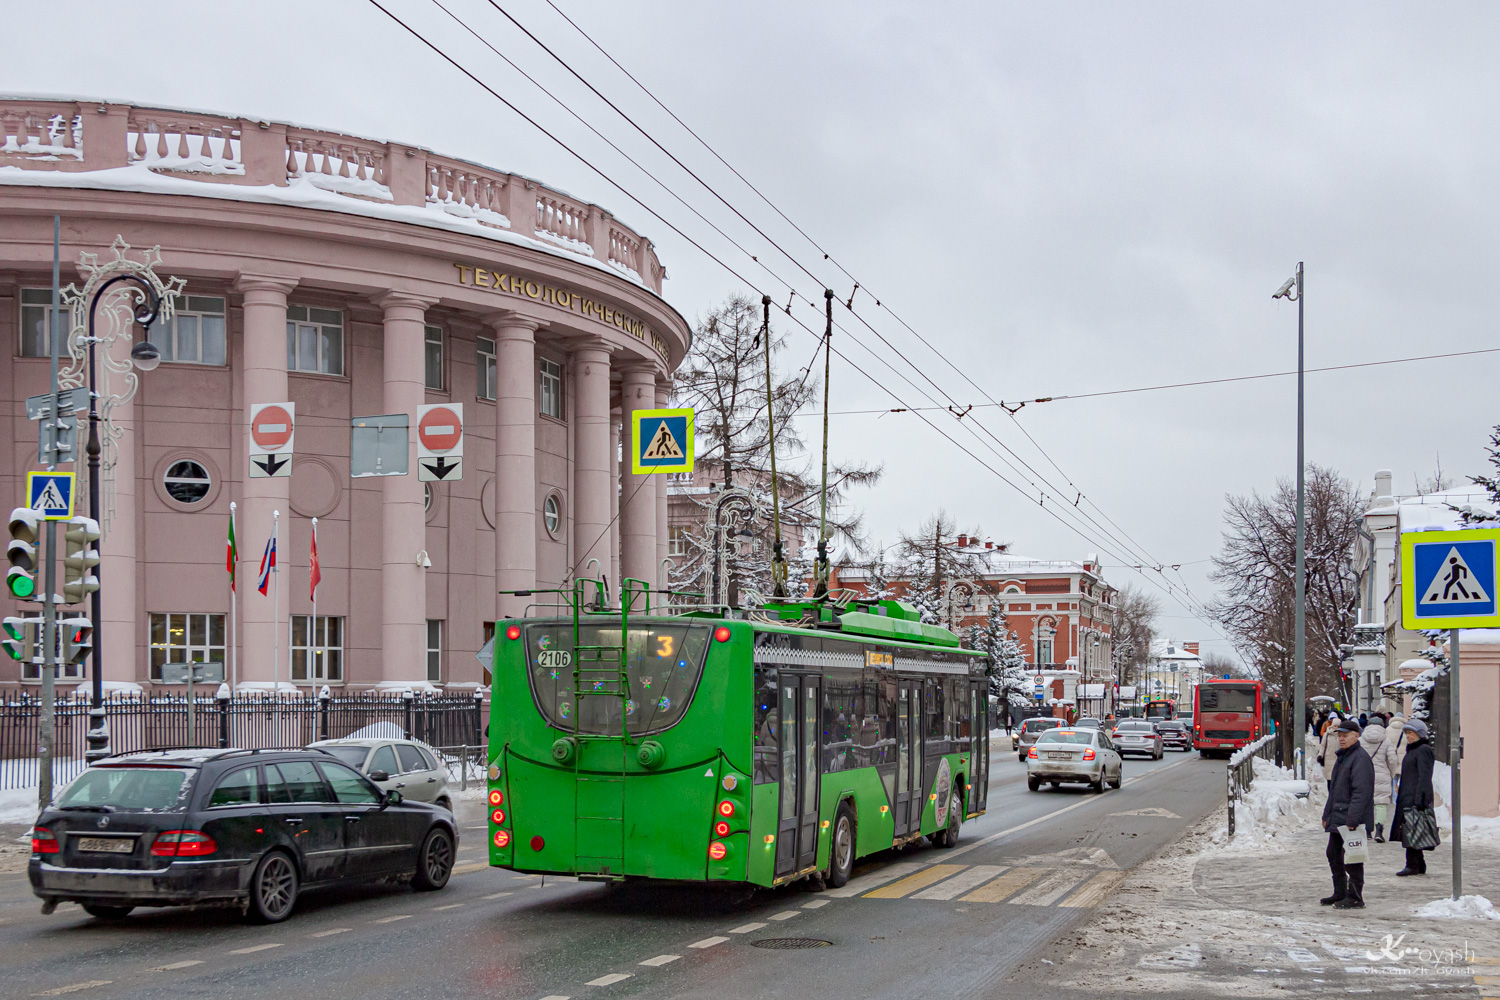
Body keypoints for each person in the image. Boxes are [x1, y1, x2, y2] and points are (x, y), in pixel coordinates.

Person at [1321, 718, 1375, 909]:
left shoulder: (1360, 759)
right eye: (1340, 736)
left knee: (1353, 857)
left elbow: (1361, 792)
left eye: (1345, 736)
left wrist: (1353, 818)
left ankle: (1355, 896)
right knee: (1333, 854)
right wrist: (1327, 814)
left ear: (1356, 736)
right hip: (1338, 815)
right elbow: (1335, 790)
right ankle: (1340, 892)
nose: (1341, 739)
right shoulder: (1343, 756)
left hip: (1351, 818)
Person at [1390, 719, 1437, 876]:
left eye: (1411, 733)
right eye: (1406, 733)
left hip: (1414, 798)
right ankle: (1418, 864)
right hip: (1407, 795)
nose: (1408, 736)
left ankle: (1413, 865)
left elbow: (1424, 776)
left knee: (1411, 831)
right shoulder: (1413, 750)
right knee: (1410, 830)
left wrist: (1421, 799)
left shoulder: (1423, 750)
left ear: (1419, 734)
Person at [1360, 717, 1397, 842]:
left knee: (1366, 803)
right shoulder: (1386, 741)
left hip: (1364, 774)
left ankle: (1367, 831)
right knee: (1381, 804)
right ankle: (1379, 831)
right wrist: (1391, 773)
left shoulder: (1360, 740)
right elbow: (1392, 760)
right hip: (1382, 774)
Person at [1319, 712, 1343, 786]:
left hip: (1339, 759)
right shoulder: (1327, 734)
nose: (1336, 727)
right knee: (1329, 778)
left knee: (1338, 778)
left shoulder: (1342, 735)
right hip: (1328, 758)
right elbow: (1323, 745)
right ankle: (1330, 794)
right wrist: (1320, 755)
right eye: (1335, 726)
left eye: (1338, 726)